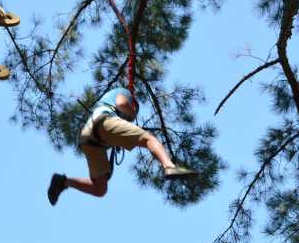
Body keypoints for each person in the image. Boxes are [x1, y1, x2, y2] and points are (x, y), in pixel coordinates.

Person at [47, 87, 196, 205]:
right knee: (149, 139)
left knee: (100, 189)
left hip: (89, 138)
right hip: (103, 122)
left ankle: (64, 182)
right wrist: (133, 113)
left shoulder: (105, 104)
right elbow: (122, 104)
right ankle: (169, 166)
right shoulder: (124, 93)